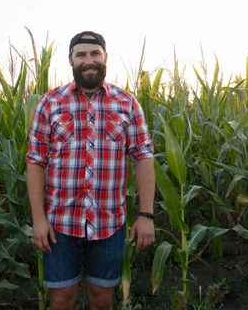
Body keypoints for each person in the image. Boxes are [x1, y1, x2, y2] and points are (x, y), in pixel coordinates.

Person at [26, 31, 156, 310]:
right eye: (81, 54)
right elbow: (36, 161)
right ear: (71, 60)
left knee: (101, 298)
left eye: (94, 53)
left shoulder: (127, 103)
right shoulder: (50, 103)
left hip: (109, 222)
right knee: (61, 300)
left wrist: (146, 214)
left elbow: (143, 157)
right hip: (60, 224)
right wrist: (38, 219)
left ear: (105, 57)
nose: (89, 60)